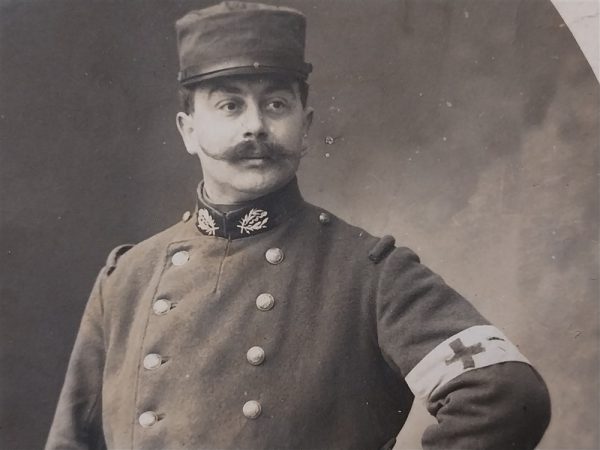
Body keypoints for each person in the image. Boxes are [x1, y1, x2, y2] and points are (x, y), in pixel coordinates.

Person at [46, 2, 551, 449]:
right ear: (187, 130)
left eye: (276, 104)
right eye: (229, 105)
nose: (256, 127)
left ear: (305, 127)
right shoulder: (126, 280)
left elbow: (506, 394)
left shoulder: (369, 273)